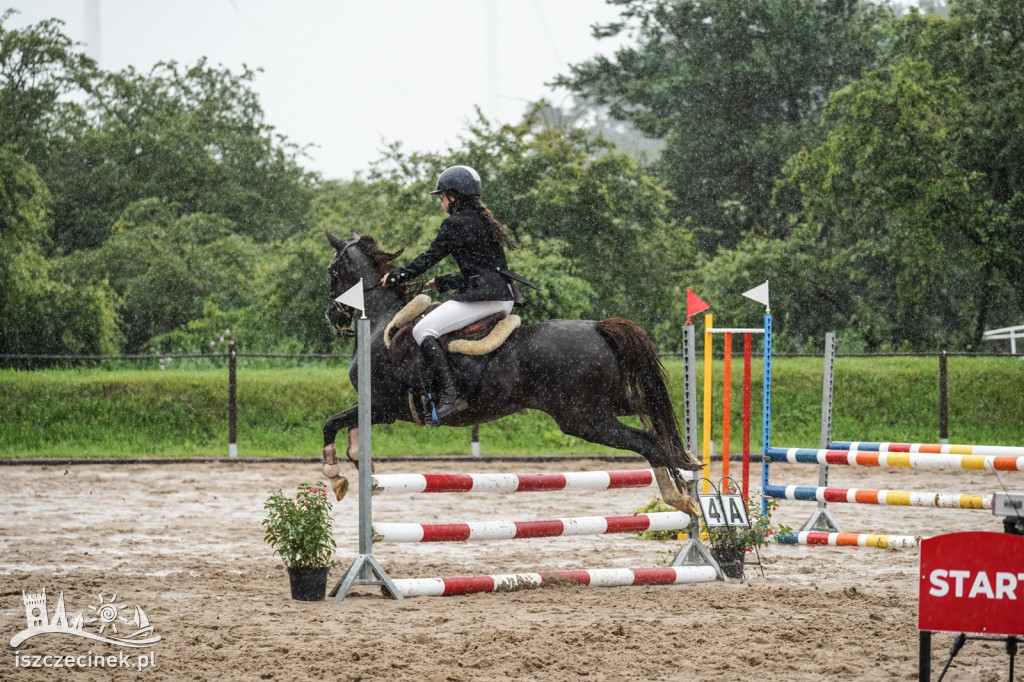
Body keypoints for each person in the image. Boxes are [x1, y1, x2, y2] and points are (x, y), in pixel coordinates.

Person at [381, 165, 534, 421]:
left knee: (422, 330)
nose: (441, 201)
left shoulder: (455, 223)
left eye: (442, 196)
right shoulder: (482, 221)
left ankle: (451, 394)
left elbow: (429, 257)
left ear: (453, 196)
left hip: (486, 299)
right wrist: (444, 282)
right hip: (501, 295)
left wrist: (398, 276)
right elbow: (483, 269)